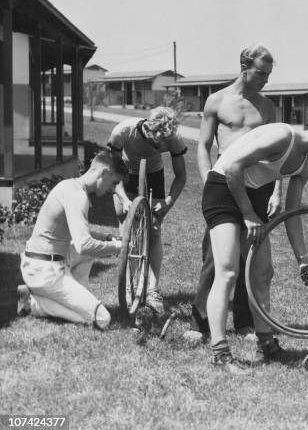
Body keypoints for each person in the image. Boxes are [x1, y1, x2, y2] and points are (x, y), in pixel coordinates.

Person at [203, 112, 308, 373]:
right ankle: (220, 353)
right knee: (228, 272)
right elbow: (231, 167)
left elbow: (293, 216)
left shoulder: (302, 166)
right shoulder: (282, 136)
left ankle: (266, 345)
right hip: (223, 190)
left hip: (249, 198)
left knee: (263, 273)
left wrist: (303, 262)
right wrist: (249, 214)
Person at [183, 44, 282, 344]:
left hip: (259, 188)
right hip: (225, 184)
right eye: (261, 73)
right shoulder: (217, 101)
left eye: (269, 74)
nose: (266, 79)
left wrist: (276, 190)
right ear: (244, 67)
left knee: (250, 255)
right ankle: (200, 322)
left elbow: (275, 154)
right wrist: (207, 181)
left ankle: (245, 322)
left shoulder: (267, 108)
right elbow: (202, 146)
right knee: (216, 257)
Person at [16, 151, 128, 328]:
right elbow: (84, 245)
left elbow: (78, 235)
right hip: (45, 272)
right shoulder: (78, 196)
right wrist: (117, 247)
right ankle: (34, 303)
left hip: (42, 262)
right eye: (114, 182)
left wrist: (105, 237)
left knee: (86, 252)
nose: (113, 189)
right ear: (104, 173)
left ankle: (77, 297)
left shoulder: (70, 186)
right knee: (102, 319)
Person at [108, 106, 187, 315]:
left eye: (163, 143)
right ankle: (129, 285)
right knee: (124, 223)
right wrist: (124, 198)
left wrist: (168, 202)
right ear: (149, 127)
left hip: (153, 173)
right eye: (155, 140)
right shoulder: (123, 132)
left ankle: (152, 289)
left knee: (153, 229)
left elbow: (181, 176)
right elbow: (111, 171)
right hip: (124, 172)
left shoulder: (174, 139)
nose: (159, 145)